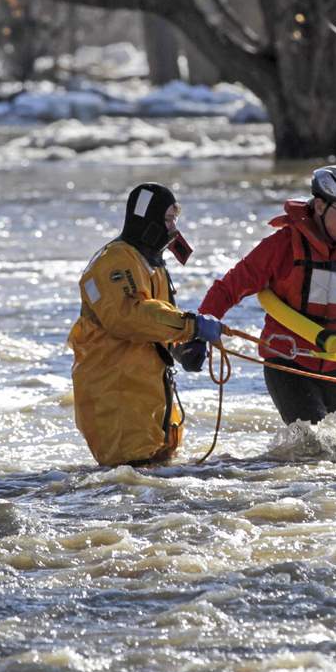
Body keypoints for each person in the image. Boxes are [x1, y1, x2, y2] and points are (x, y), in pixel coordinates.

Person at [199, 165, 336, 426]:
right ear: (319, 206)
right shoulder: (282, 245)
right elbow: (229, 287)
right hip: (287, 363)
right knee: (315, 443)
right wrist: (199, 332)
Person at [68, 183, 223, 466]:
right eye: (167, 219)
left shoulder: (152, 263)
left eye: (175, 219)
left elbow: (155, 323)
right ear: (147, 220)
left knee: (155, 481)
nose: (174, 228)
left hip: (147, 397)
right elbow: (130, 317)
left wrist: (181, 348)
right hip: (115, 397)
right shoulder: (113, 262)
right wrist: (191, 326)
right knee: (129, 483)